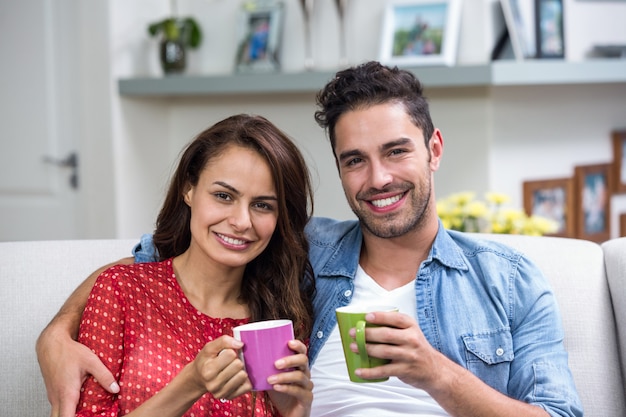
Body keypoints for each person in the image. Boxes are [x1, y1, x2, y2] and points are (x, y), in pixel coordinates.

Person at [37, 62, 582, 417]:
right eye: (355, 161)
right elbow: (165, 254)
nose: (378, 179)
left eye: (396, 151)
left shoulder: (506, 279)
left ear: (434, 149)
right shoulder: (305, 253)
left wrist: (435, 373)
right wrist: (57, 333)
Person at [63, 114, 315, 417]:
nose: (241, 222)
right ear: (189, 190)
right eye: (223, 196)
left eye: (262, 205)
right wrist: (192, 382)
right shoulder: (121, 291)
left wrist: (295, 412)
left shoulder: (284, 318)